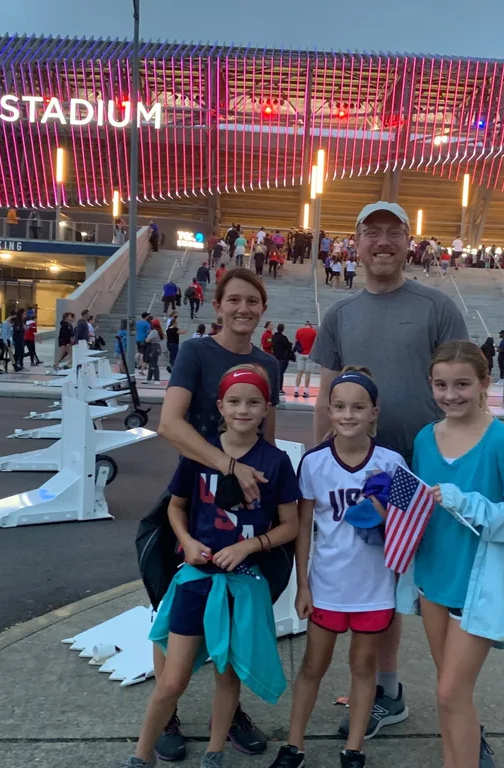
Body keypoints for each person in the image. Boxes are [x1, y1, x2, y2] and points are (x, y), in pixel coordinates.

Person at [311, 201, 468, 740]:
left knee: (439, 591)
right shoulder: (341, 316)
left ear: (409, 242)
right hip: (364, 473)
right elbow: (328, 395)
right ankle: (388, 691)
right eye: (371, 233)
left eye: (393, 233)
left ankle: (460, 708)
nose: (382, 242)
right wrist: (322, 464)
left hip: (420, 470)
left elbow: (460, 384)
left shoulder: (435, 306)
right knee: (382, 586)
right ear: (353, 244)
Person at [154, 268, 284, 761]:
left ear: (262, 308)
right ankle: (167, 710)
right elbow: (170, 423)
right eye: (234, 300)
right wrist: (228, 466)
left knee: (237, 610)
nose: (243, 309)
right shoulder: (196, 352)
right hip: (193, 494)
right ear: (217, 305)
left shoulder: (268, 363)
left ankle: (226, 714)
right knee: (171, 608)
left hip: (247, 507)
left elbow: (266, 437)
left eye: (252, 301)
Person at [404, 340, 504, 768]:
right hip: (431, 578)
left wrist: (469, 502)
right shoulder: (425, 438)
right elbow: (417, 504)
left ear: (485, 383)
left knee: (450, 692)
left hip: (478, 585)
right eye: (441, 385)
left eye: (463, 384)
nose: (451, 395)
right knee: (450, 694)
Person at [269, 369, 405, 768]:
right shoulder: (313, 463)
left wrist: (382, 509)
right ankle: (295, 746)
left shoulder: (391, 463)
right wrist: (303, 586)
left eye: (358, 407)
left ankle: (355, 748)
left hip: (374, 588)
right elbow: (304, 530)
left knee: (364, 667)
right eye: (340, 407)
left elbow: (403, 528)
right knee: (313, 665)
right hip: (327, 585)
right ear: (328, 411)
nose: (349, 415)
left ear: (374, 413)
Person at [293, 321, 318, 398]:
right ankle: (305, 391)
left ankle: (296, 390)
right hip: (310, 354)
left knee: (299, 373)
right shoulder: (314, 332)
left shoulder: (299, 330)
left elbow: (295, 342)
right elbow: (316, 343)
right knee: (308, 373)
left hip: (301, 354)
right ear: (310, 326)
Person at [271, 323, 293, 398]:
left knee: (277, 372)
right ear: (283, 329)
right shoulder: (283, 338)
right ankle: (279, 388)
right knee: (280, 373)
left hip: (275, 356)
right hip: (282, 357)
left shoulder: (274, 337)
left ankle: (275, 387)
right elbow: (288, 347)